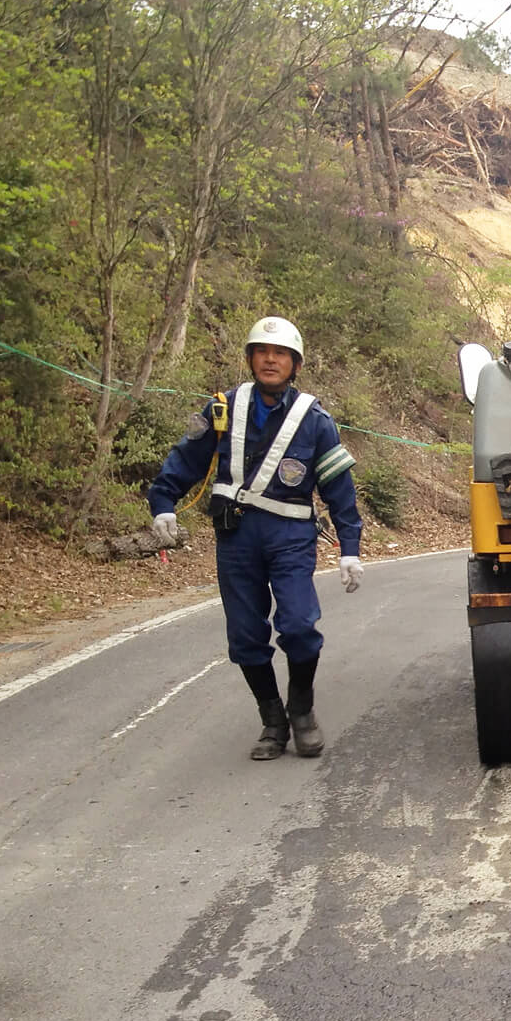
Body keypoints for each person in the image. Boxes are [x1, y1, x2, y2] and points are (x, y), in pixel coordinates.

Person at [148, 316, 364, 759]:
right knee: (245, 636)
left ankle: (301, 710)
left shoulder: (315, 421)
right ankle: (272, 723)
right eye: (262, 352)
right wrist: (163, 500)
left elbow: (340, 490)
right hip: (236, 538)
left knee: (300, 627)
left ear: (294, 364)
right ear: (250, 358)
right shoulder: (222, 409)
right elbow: (186, 457)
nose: (271, 360)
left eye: (280, 354)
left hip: (290, 538)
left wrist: (350, 548)